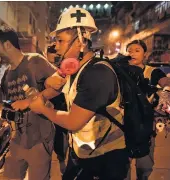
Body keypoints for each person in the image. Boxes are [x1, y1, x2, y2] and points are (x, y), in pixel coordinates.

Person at [29, 7, 130, 180]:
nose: (56, 47)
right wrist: (46, 86)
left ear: (80, 42)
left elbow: (72, 121)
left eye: (60, 41)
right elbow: (56, 89)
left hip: (106, 159)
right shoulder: (77, 70)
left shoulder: (97, 74)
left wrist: (43, 108)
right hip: (84, 154)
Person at [0, 28, 59, 180]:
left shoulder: (35, 61)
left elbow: (59, 86)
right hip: (17, 138)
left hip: (39, 138)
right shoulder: (5, 74)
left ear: (7, 45)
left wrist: (29, 101)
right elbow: (5, 102)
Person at [126, 39, 170, 180]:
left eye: (137, 50)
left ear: (145, 54)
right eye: (130, 50)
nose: (132, 53)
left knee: (144, 167)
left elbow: (166, 82)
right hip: (124, 125)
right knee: (122, 167)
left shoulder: (153, 72)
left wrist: (166, 91)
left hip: (146, 126)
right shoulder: (120, 72)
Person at [46, 44, 69, 174]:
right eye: (52, 53)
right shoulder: (44, 69)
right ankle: (61, 161)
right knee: (58, 139)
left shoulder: (66, 68)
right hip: (51, 110)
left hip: (67, 108)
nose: (55, 56)